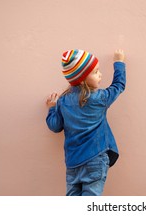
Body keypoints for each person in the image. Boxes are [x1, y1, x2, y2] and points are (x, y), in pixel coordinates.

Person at [45, 49, 126, 196]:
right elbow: (118, 86)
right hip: (95, 160)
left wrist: (52, 108)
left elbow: (55, 126)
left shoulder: (63, 101)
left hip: (72, 164)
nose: (100, 74)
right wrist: (119, 62)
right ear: (82, 79)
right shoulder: (100, 98)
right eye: (95, 72)